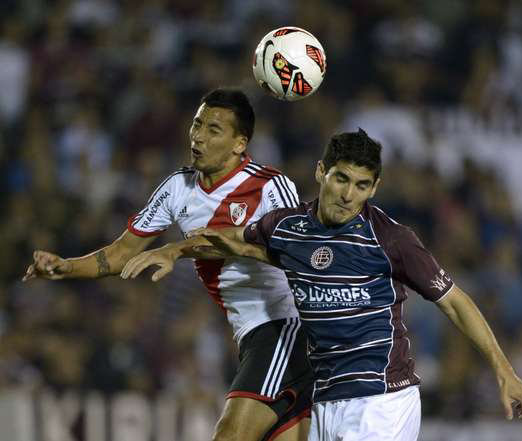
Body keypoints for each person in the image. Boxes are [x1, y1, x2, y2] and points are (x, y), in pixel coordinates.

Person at [124, 128, 522, 441]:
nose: (348, 194)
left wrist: (504, 371)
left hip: (383, 399)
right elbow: (230, 241)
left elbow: (456, 302)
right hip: (326, 403)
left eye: (361, 185)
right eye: (341, 179)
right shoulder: (289, 230)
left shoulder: (391, 239)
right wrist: (175, 251)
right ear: (321, 172)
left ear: (374, 188)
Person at [23, 88, 313, 441]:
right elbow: (122, 253)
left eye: (213, 130)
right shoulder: (177, 187)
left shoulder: (270, 186)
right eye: (197, 124)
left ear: (240, 143)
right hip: (252, 337)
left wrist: (178, 249)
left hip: (286, 326)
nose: (199, 136)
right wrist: (67, 267)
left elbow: (294, 249)